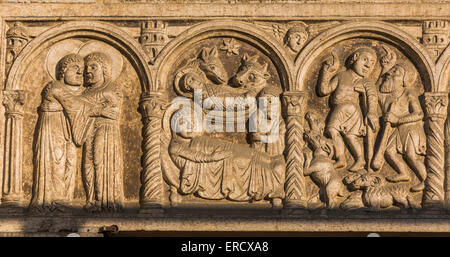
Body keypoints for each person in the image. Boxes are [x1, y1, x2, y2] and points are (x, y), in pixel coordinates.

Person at [29, 54, 84, 212]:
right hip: (52, 131)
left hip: (69, 132)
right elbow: (74, 105)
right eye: (75, 68)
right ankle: (52, 201)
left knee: (70, 164)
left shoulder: (77, 92)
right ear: (63, 70)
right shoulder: (54, 87)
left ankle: (65, 200)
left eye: (82, 70)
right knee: (56, 163)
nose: (80, 73)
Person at [317, 47, 379, 172]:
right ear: (355, 58)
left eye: (372, 63)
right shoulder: (341, 75)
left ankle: (341, 158)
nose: (368, 64)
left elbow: (372, 96)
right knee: (350, 136)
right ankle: (359, 159)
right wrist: (326, 71)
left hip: (348, 107)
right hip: (343, 108)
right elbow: (324, 90)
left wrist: (372, 112)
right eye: (365, 59)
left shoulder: (365, 81)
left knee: (331, 129)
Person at [78, 52, 124, 213]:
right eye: (86, 68)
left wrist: (90, 109)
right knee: (88, 164)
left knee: (100, 160)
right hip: (88, 129)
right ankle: (91, 199)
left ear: (104, 69)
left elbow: (114, 111)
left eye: (93, 67)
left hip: (106, 130)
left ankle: (105, 200)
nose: (87, 71)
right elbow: (80, 110)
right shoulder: (84, 93)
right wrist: (98, 109)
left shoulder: (111, 88)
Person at [377, 63, 427, 192]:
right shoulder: (388, 97)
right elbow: (376, 90)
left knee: (411, 155)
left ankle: (425, 179)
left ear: (405, 80)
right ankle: (403, 173)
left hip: (411, 128)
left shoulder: (408, 93)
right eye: (391, 71)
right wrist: (385, 67)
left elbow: (419, 113)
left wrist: (398, 119)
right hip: (397, 129)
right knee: (389, 152)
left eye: (396, 73)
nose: (390, 74)